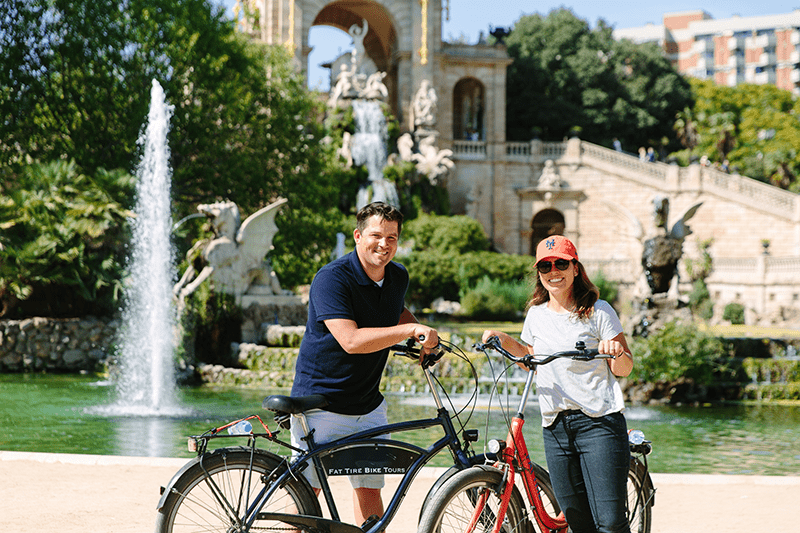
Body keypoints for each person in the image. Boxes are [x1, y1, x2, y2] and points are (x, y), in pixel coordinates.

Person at [290, 201, 439, 526]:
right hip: (320, 406)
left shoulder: (397, 276)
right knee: (306, 497)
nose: (384, 245)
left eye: (392, 237)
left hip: (368, 406)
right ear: (358, 236)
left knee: (370, 491)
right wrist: (409, 330)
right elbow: (351, 341)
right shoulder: (332, 279)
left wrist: (421, 337)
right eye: (376, 235)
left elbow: (395, 310)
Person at [482, 235, 634, 533]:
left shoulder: (598, 310)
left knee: (610, 524)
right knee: (577, 522)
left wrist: (615, 351)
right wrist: (502, 339)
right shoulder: (535, 315)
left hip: (599, 425)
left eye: (561, 263)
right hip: (555, 427)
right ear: (539, 272)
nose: (554, 270)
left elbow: (625, 368)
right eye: (546, 265)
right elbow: (532, 359)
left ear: (575, 268)